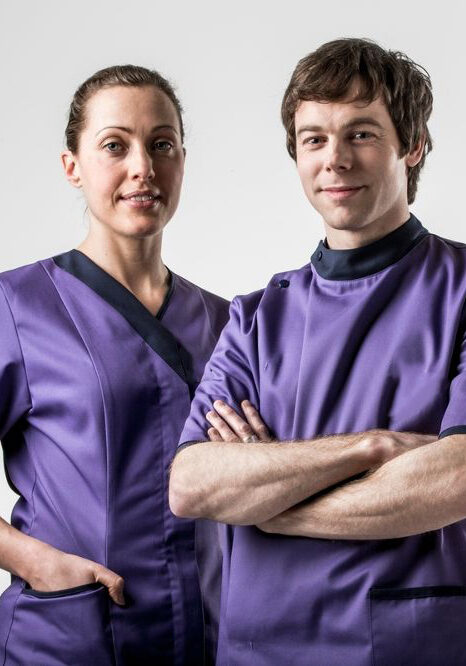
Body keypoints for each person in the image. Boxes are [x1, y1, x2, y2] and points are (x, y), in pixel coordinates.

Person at [170, 38, 466, 665]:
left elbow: (457, 477)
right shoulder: (257, 316)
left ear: (411, 146)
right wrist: (373, 448)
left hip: (398, 646)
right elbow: (193, 484)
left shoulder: (460, 292)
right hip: (258, 646)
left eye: (361, 133)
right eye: (313, 139)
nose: (335, 160)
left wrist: (272, 508)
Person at [0, 65, 229, 665]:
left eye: (162, 144)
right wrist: (36, 562)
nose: (143, 168)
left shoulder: (228, 322)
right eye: (114, 145)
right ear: (72, 166)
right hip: (69, 637)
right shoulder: (18, 307)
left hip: (204, 638)